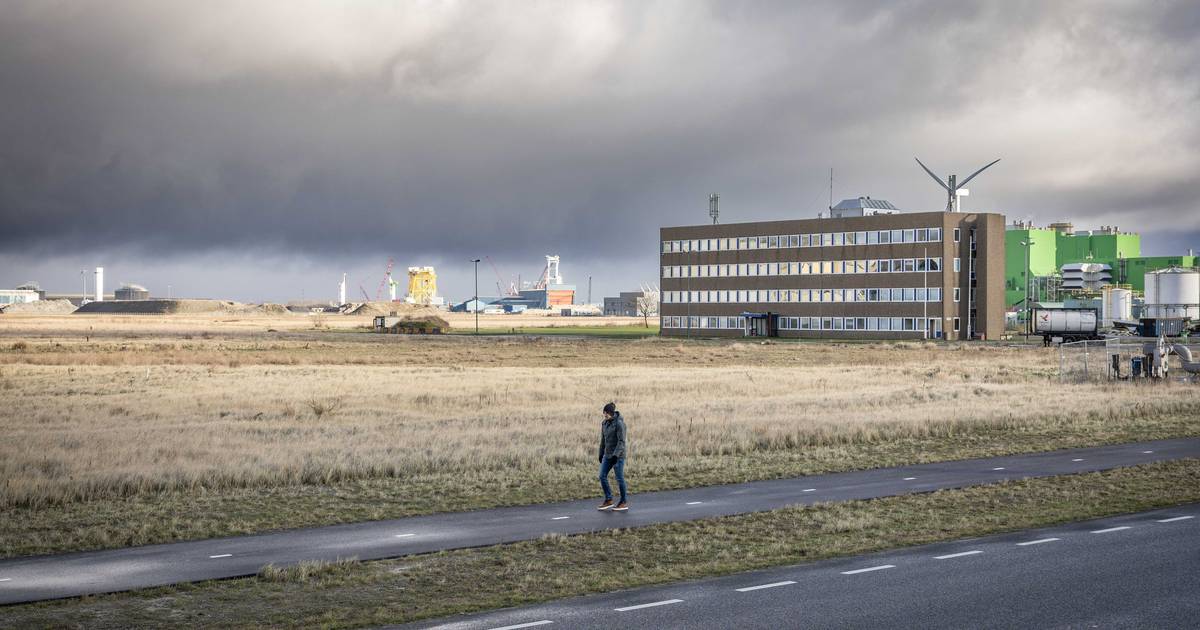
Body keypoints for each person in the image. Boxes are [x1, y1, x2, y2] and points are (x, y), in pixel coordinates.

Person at [597, 401, 628, 511]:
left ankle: (623, 502)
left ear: (611, 413)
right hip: (607, 454)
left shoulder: (619, 424)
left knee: (619, 478)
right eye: (604, 413)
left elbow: (621, 442)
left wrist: (615, 455)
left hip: (618, 456)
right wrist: (601, 453)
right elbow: (603, 440)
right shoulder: (604, 423)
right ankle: (609, 499)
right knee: (602, 476)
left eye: (606, 413)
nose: (604, 415)